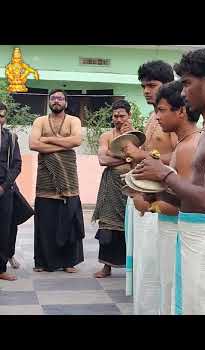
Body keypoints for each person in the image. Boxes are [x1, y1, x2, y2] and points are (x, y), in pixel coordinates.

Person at [133, 47, 205, 315]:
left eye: (186, 83)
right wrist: (157, 195)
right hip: (192, 240)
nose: (182, 92)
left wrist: (164, 174)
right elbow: (190, 196)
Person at [123, 60, 176, 314]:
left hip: (163, 204)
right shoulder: (152, 117)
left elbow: (180, 158)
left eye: (152, 85)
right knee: (146, 271)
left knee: (158, 271)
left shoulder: (175, 117)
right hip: (144, 201)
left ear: (167, 85)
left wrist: (139, 155)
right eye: (143, 85)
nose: (146, 90)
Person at [146, 80, 202, 314]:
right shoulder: (184, 143)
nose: (157, 117)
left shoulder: (190, 146)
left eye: (161, 110)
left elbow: (188, 202)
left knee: (178, 297)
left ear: (180, 111)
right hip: (181, 235)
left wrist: (152, 204)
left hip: (188, 236)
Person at [29, 89, 85, 273]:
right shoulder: (40, 121)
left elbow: (76, 140)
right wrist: (62, 142)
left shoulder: (73, 121)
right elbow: (33, 144)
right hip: (45, 180)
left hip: (68, 179)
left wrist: (48, 140)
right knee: (45, 223)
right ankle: (44, 262)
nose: (56, 101)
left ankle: (69, 262)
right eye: (53, 98)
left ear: (66, 103)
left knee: (69, 221)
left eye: (60, 98)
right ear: (49, 102)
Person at [92, 100, 134, 278]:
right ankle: (106, 267)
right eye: (115, 115)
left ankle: (132, 267)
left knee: (130, 226)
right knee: (107, 227)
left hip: (131, 184)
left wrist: (113, 153)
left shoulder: (136, 136)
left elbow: (139, 156)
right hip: (110, 186)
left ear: (129, 116)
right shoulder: (106, 136)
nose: (118, 119)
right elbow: (103, 160)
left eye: (122, 115)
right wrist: (126, 157)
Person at [0, 102, 23, 281]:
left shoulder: (11, 137)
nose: (0, 119)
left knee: (4, 229)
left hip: (4, 189)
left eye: (2, 115)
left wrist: (4, 186)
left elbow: (16, 165)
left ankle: (1, 269)